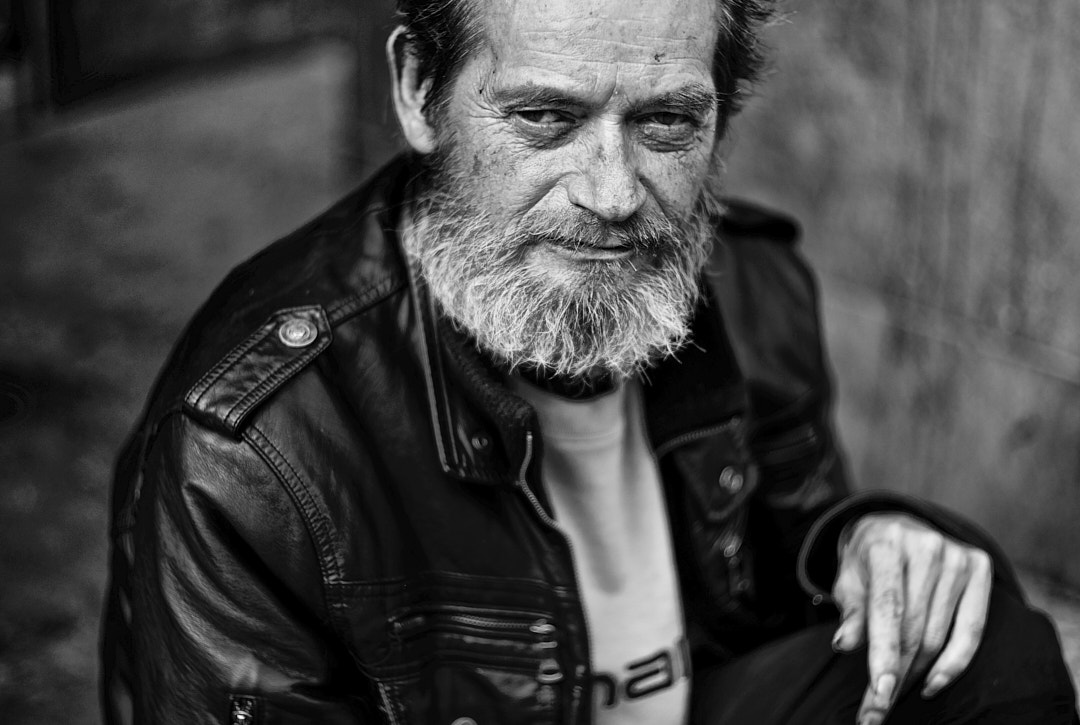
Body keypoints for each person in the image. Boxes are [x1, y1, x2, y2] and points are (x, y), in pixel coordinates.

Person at [99, 0, 1078, 723]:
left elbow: (787, 551)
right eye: (545, 118)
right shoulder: (251, 447)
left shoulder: (753, 283)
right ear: (418, 92)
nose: (612, 194)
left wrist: (868, 539)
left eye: (666, 123)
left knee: (983, 646)